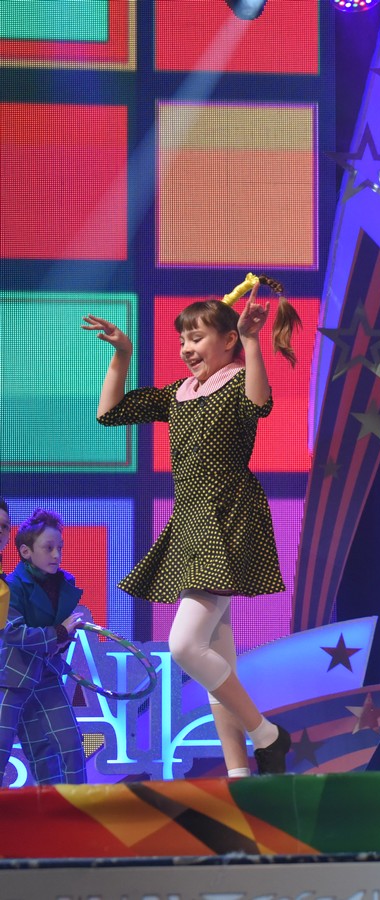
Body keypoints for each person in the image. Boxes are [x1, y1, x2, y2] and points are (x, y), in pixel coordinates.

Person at [87, 273, 301, 775]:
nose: (187, 348)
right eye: (183, 339)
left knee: (185, 646)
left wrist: (252, 341)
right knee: (215, 657)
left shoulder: (238, 382)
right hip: (190, 523)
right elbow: (109, 413)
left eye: (197, 337)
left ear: (227, 340)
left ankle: (268, 736)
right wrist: (123, 353)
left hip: (228, 517)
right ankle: (239, 773)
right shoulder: (177, 394)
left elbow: (260, 402)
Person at [1, 510, 87, 785]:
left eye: (59, 548)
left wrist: (63, 639)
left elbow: (57, 634)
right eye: (48, 548)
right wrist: (59, 632)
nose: (56, 555)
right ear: (26, 551)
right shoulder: (10, 586)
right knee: (12, 751)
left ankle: (77, 806)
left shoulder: (64, 583)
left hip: (46, 674)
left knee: (71, 744)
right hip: (11, 679)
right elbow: (12, 632)